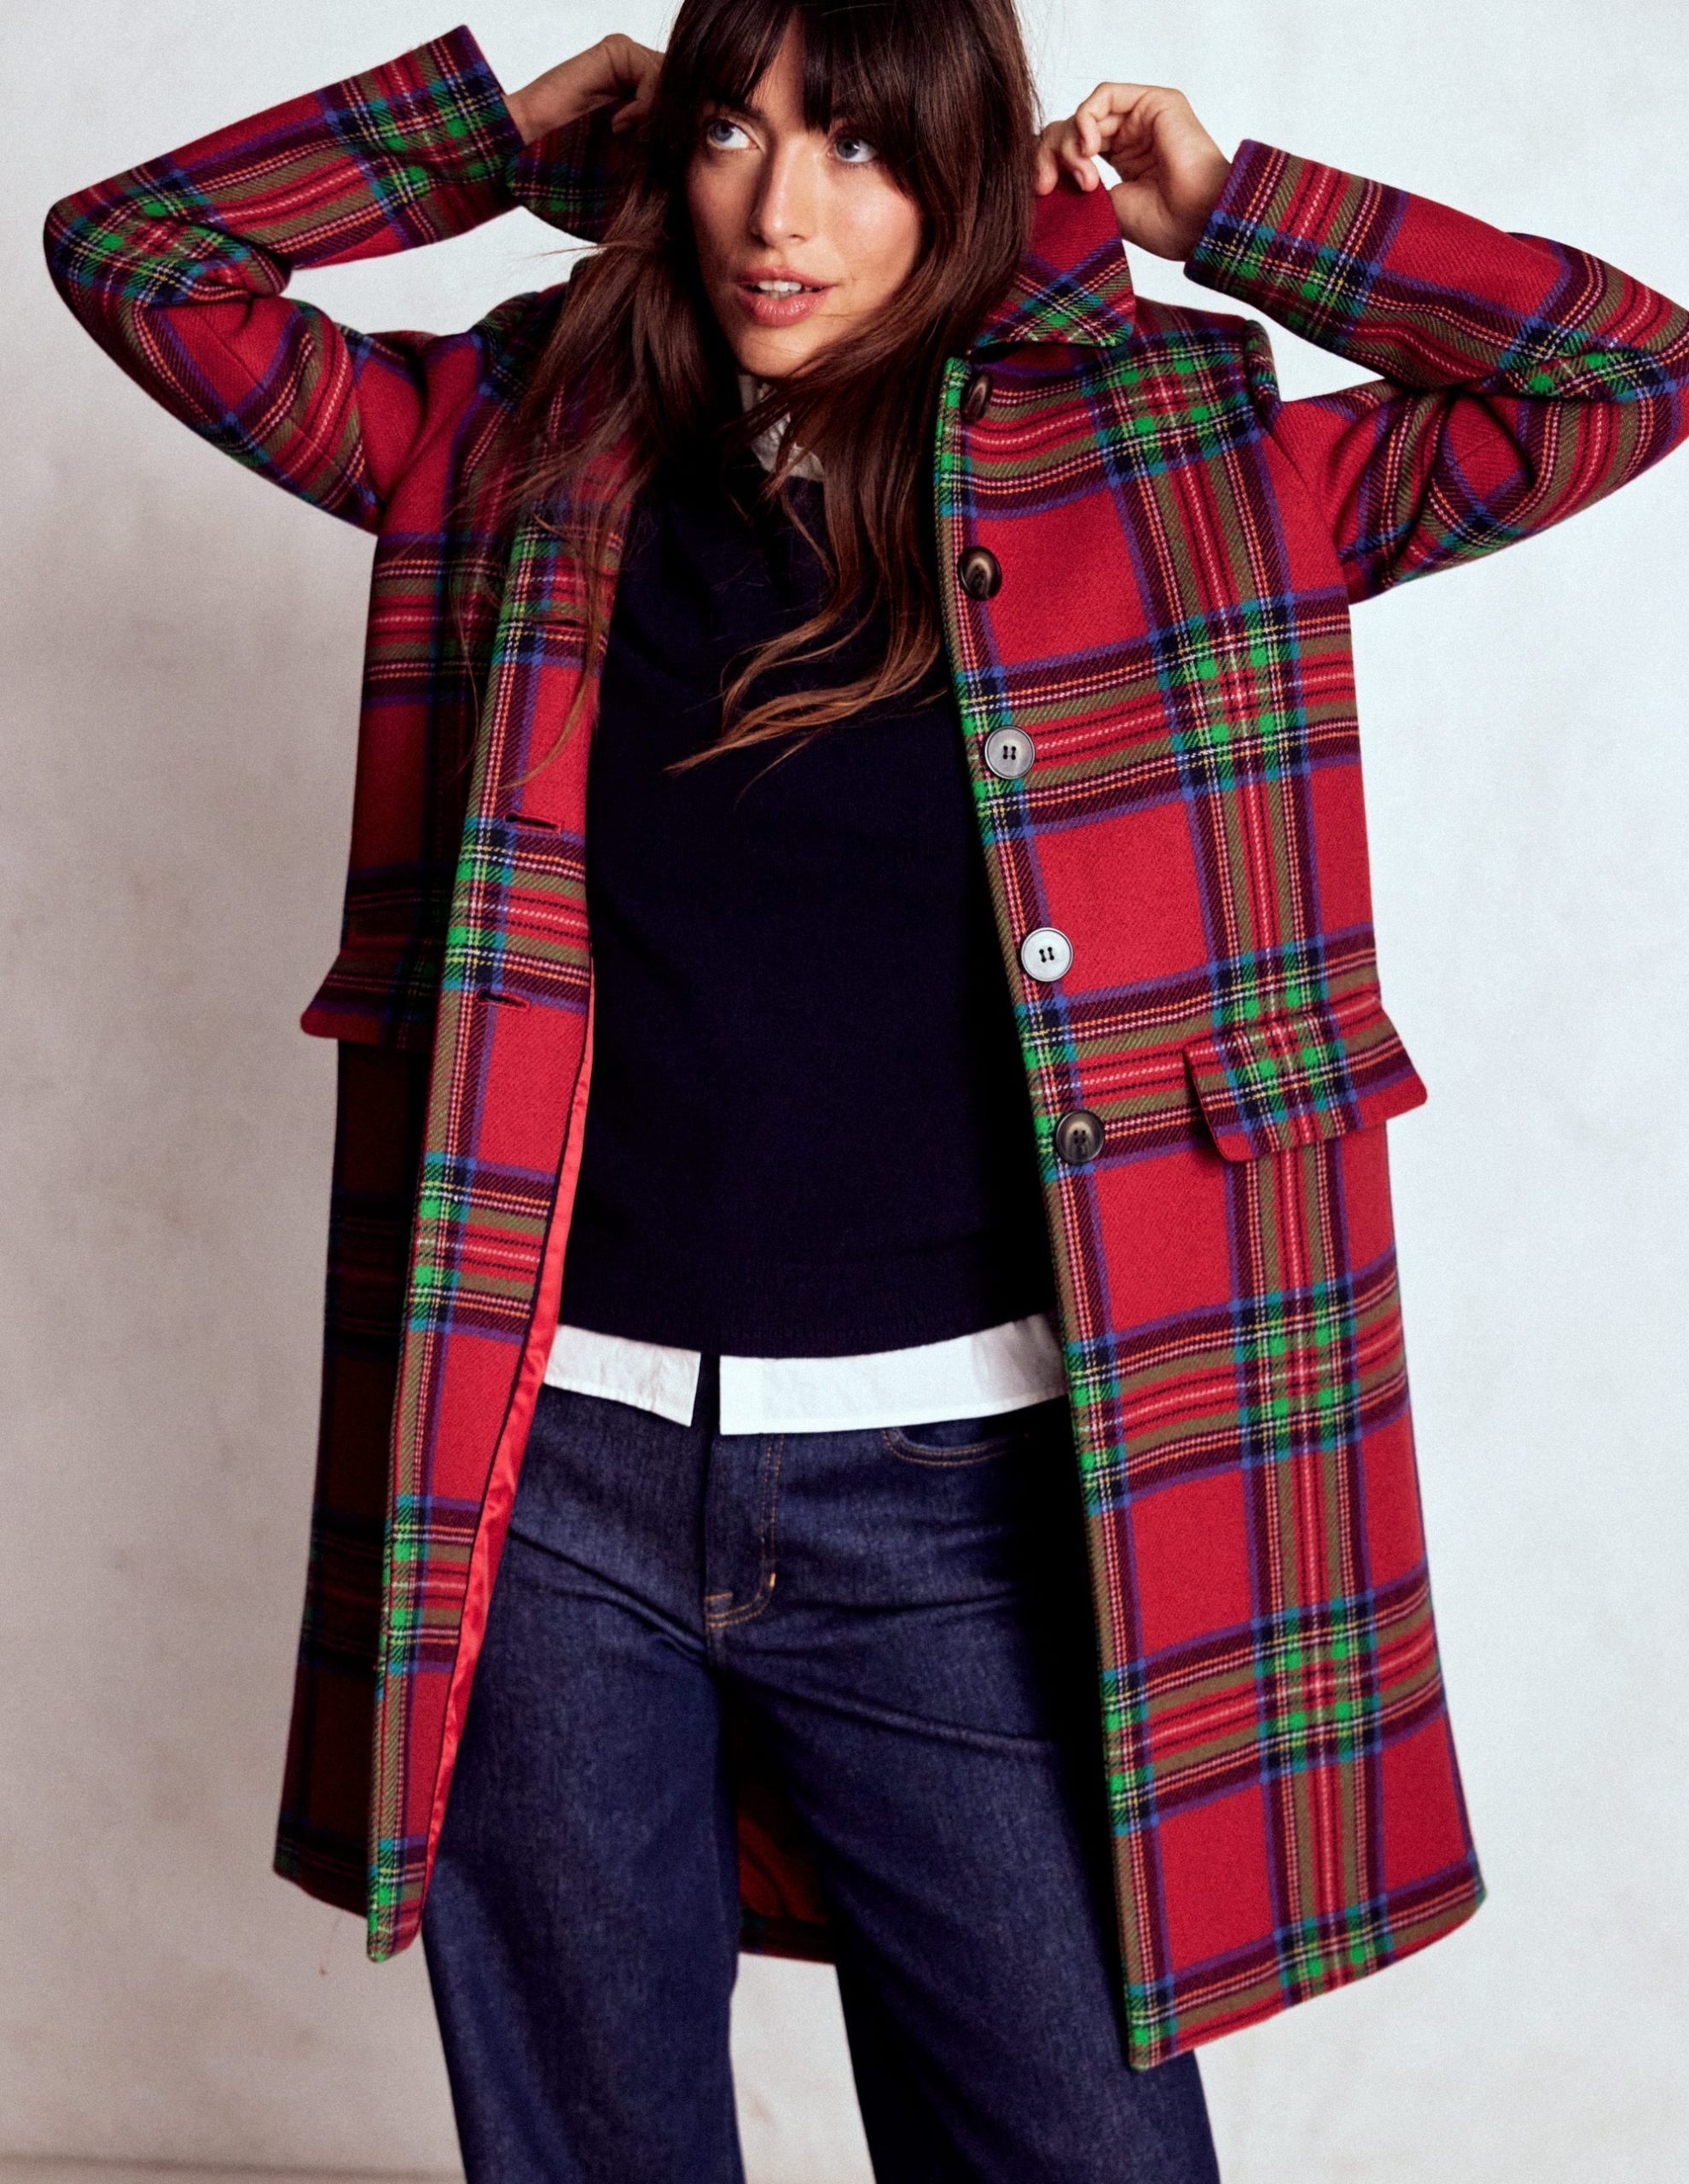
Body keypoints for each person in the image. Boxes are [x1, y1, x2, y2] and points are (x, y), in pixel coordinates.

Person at [44, 3, 1687, 2178]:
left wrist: (1236, 214)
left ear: (969, 175)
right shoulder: (513, 438)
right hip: (547, 1484)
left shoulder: (1189, 471)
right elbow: (136, 256)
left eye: (861, 149)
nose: (782, 212)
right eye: (735, 132)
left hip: (963, 1497)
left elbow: (1622, 373)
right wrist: (488, 133)